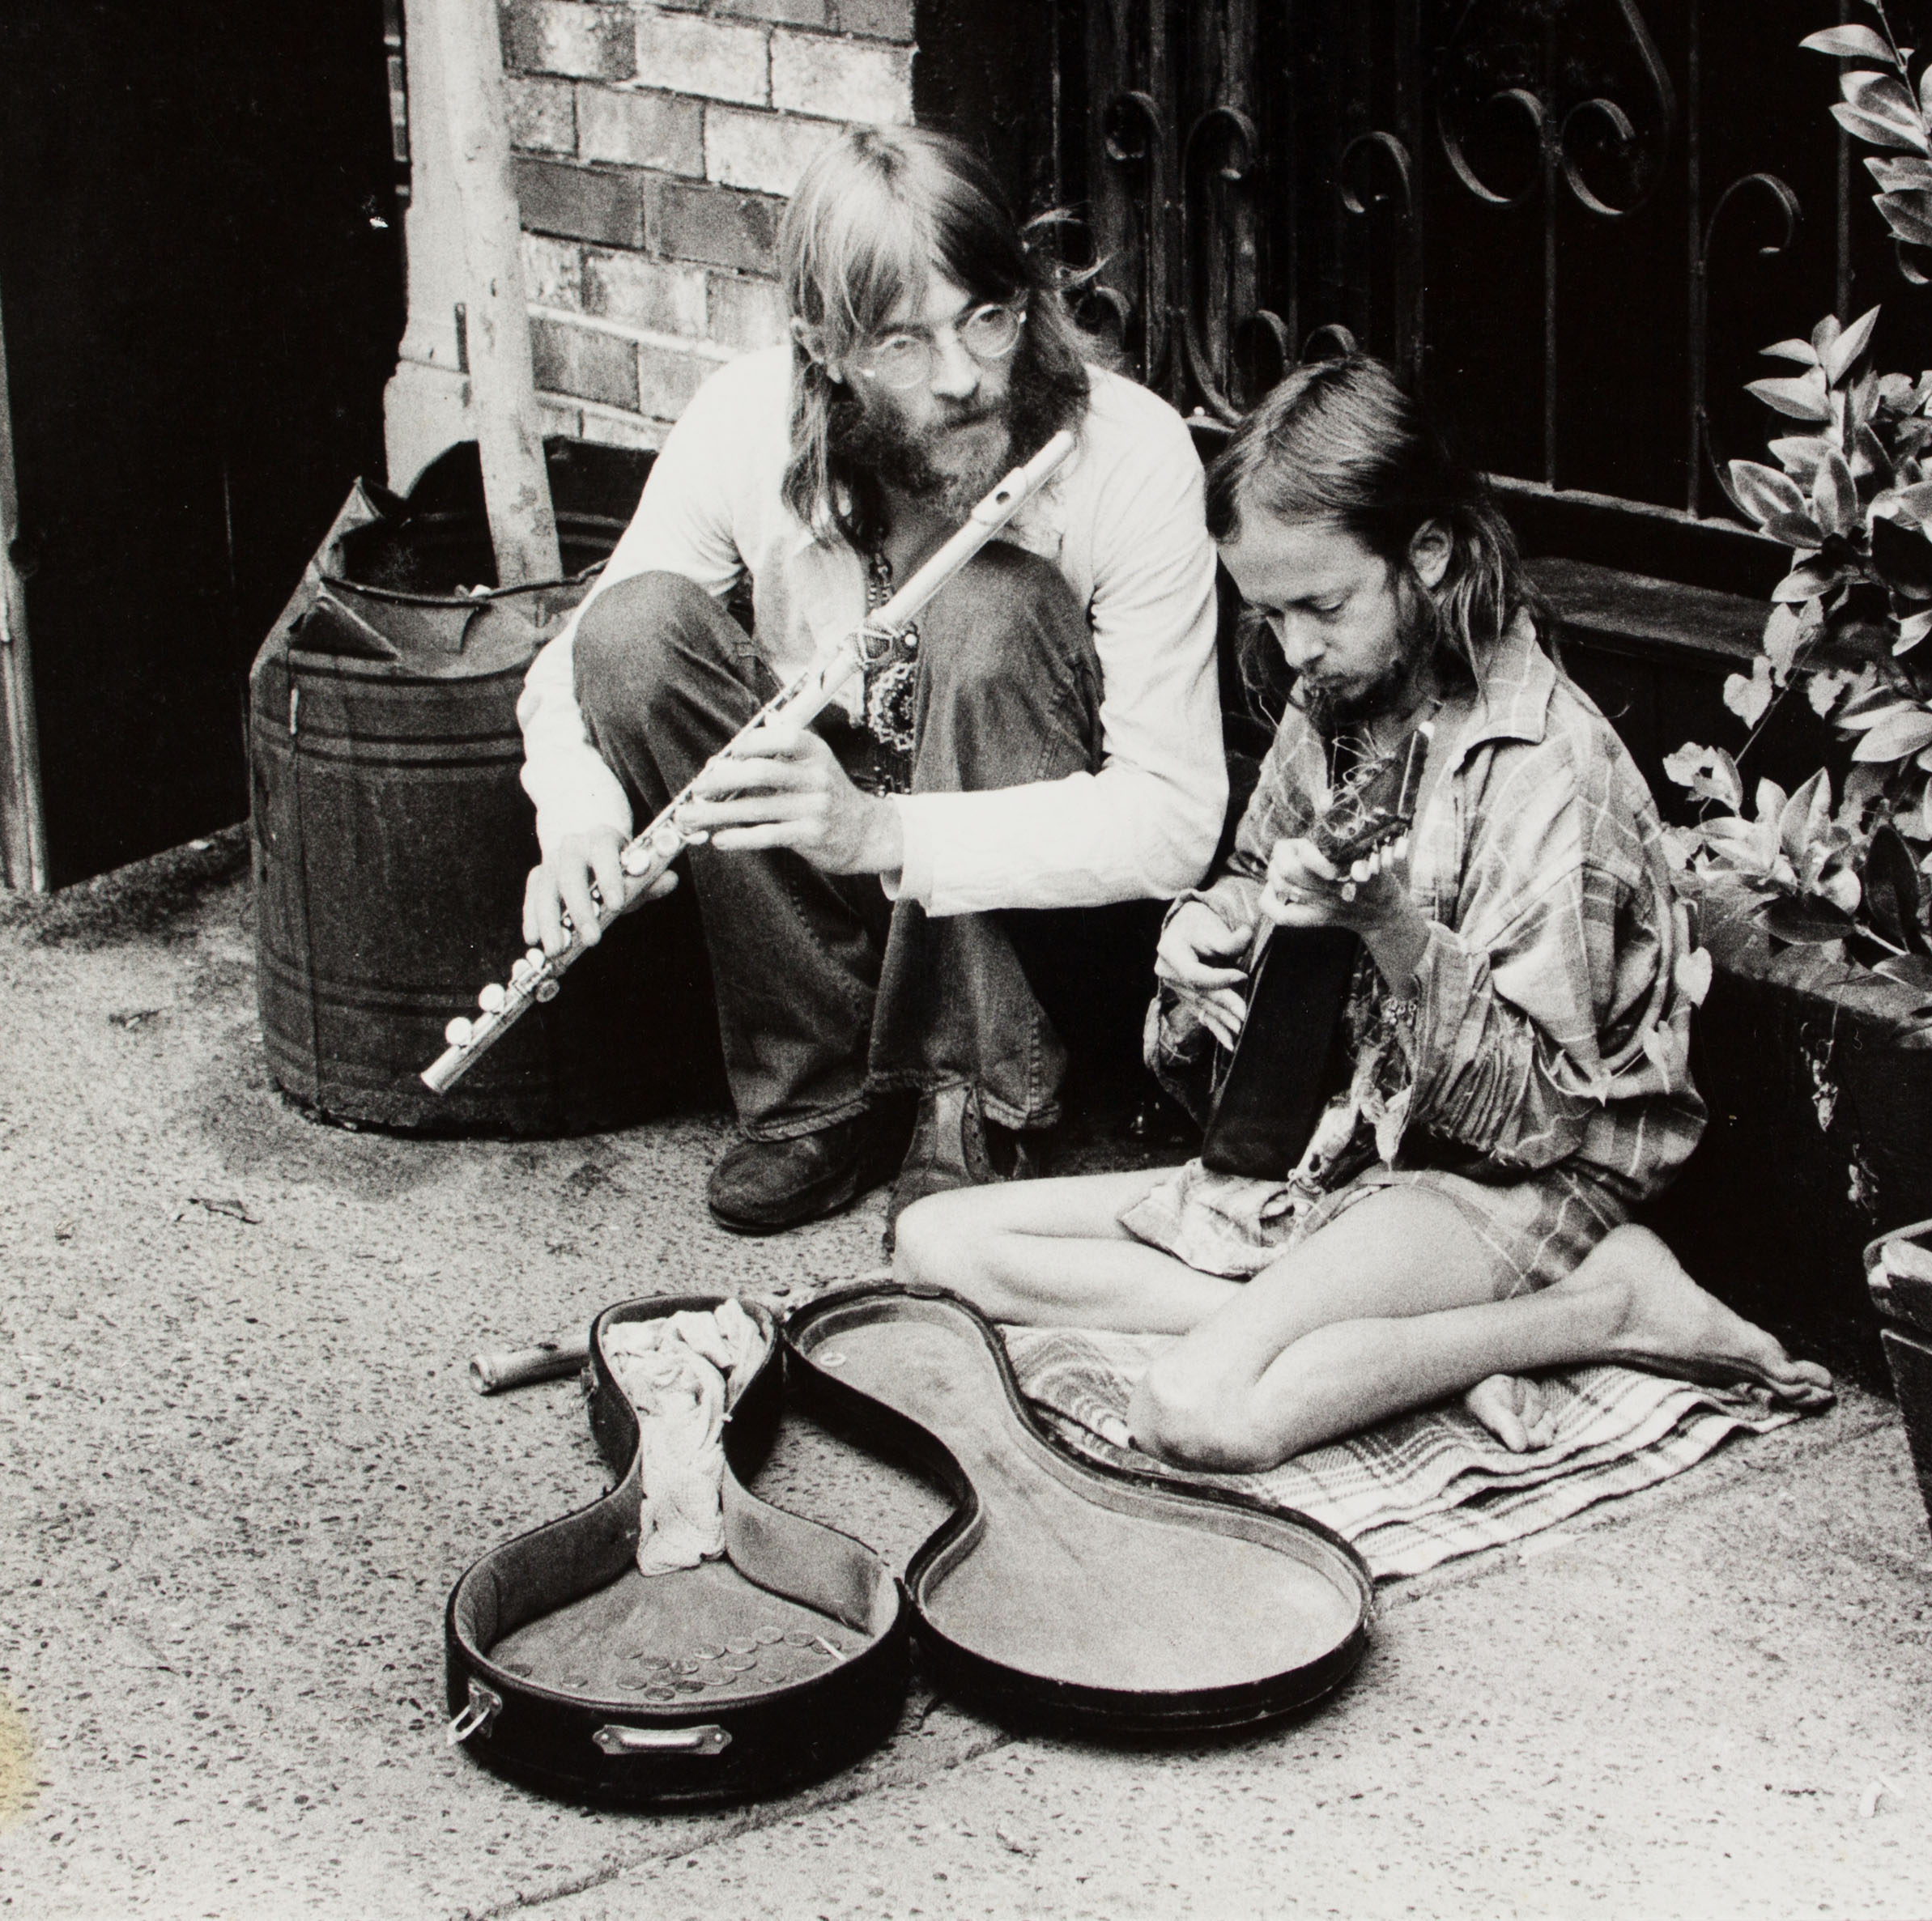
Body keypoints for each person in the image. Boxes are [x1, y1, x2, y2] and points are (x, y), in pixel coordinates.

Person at [892, 356, 1834, 1473]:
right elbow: (1255, 874)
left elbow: (1533, 1117)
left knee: (1195, 1409)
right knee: (935, 1242)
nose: (1294, 649)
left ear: (1425, 555)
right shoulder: (1339, 692)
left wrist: (1392, 929)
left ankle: (1607, 1307)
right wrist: (1215, 929)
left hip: (1514, 1179)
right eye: (1269, 612)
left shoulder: (1549, 772)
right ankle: (1434, 1348)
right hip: (1350, 1151)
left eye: (1321, 606)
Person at [515, 125, 1224, 1233]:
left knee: (991, 606)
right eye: (899, 343)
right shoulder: (745, 419)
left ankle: (972, 1098)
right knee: (634, 633)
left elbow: (1175, 818)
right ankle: (819, 1090)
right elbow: (582, 657)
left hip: (1035, 915)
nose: (961, 378)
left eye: (988, 318)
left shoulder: (1129, 452)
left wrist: (887, 834)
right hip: (824, 886)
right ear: (824, 348)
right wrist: (578, 816)